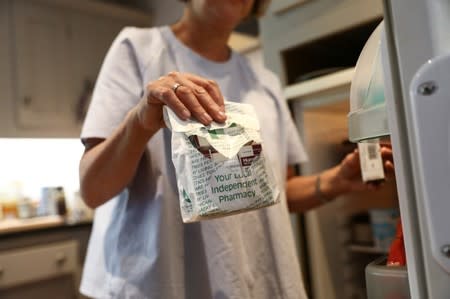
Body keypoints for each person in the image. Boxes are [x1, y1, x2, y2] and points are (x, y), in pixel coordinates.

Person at [78, 0, 394, 298]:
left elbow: (277, 190)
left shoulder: (264, 81)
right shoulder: (138, 49)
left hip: (254, 281)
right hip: (160, 284)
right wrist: (140, 120)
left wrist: (335, 181)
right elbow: (93, 190)